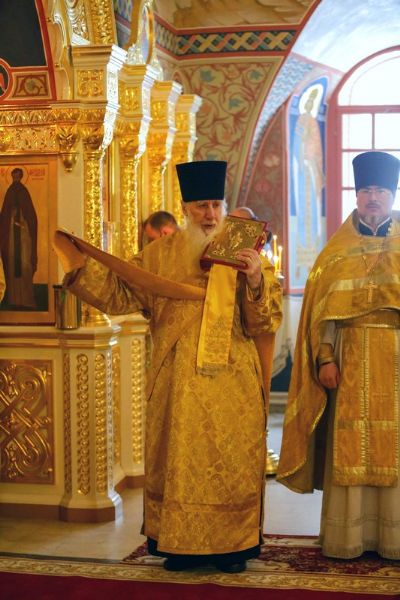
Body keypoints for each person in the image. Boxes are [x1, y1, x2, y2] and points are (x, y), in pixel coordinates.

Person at [54, 160, 282, 573]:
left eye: (215, 205)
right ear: (185, 208)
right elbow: (122, 293)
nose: (210, 215)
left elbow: (264, 322)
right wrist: (80, 266)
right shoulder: (159, 255)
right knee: (181, 461)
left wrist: (253, 280)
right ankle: (179, 546)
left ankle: (232, 548)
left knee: (230, 461)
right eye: (201, 207)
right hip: (177, 379)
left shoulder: (246, 250)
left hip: (233, 381)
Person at [277, 151, 400, 560]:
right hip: (348, 360)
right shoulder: (336, 251)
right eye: (366, 190)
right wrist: (325, 359)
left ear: (392, 195)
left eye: (381, 190)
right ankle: (347, 537)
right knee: (350, 442)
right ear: (357, 195)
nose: (373, 197)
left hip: (396, 362)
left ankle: (393, 538)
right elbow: (321, 313)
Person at [0, 167, 38, 308]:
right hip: (11, 236)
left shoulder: (24, 192)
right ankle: (12, 299)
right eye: (13, 176)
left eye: (17, 176)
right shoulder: (9, 192)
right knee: (11, 264)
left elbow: (31, 216)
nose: (15, 179)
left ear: (21, 177)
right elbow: (4, 215)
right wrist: (10, 221)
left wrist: (23, 222)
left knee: (24, 264)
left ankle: (26, 299)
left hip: (23, 237)